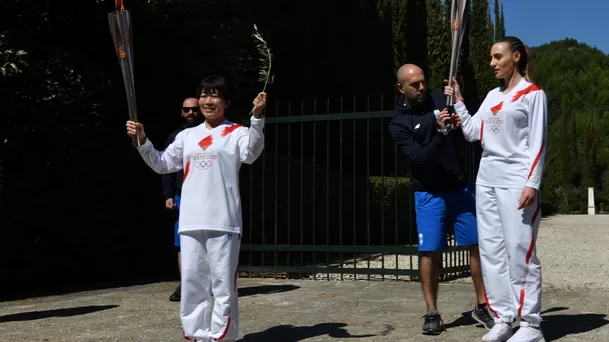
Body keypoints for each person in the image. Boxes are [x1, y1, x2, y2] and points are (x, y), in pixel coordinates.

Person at [126, 75, 267, 342]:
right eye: (203, 95)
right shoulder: (187, 135)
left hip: (223, 221)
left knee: (223, 286)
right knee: (193, 285)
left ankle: (221, 338)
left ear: (225, 102)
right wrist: (143, 141)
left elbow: (251, 153)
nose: (207, 101)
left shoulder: (236, 132)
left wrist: (257, 118)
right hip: (190, 220)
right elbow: (163, 164)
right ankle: (196, 335)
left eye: (214, 95)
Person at [444, 36, 547, 342]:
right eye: (491, 57)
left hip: (517, 179)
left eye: (497, 57)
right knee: (491, 251)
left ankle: (531, 324)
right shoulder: (491, 96)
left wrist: (532, 183)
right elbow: (474, 132)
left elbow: (538, 143)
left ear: (516, 57)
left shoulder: (532, 94)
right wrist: (459, 100)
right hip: (487, 178)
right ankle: (504, 317)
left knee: (520, 250)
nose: (492, 63)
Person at [388, 64, 494, 336]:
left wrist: (457, 118)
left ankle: (483, 305)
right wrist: (439, 131)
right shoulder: (398, 123)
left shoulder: (440, 98)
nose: (422, 88)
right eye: (415, 85)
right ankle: (432, 312)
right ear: (401, 88)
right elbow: (420, 158)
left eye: (423, 82)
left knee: (475, 246)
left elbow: (464, 132)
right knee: (430, 253)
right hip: (428, 192)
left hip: (459, 187)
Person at [163, 97, 203, 302]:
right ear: (181, 112)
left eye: (194, 110)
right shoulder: (176, 137)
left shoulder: (213, 134)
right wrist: (168, 195)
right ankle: (186, 283)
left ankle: (208, 282)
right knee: (183, 243)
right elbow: (166, 167)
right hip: (183, 197)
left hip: (206, 197)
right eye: (186, 110)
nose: (191, 113)